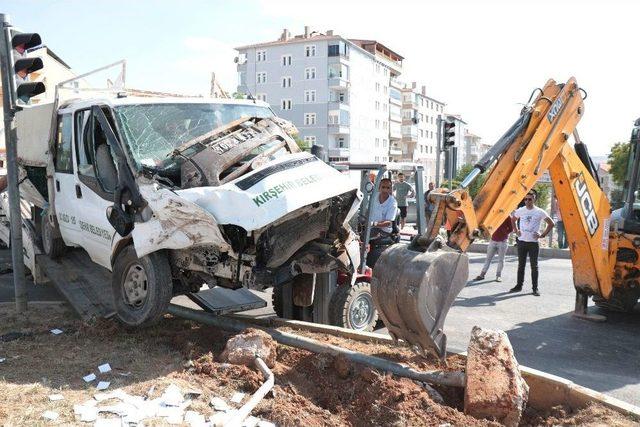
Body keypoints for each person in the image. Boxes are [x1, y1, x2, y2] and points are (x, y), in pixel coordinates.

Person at [511, 192, 554, 296]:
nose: (527, 201)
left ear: (534, 200)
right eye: (525, 199)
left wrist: (542, 235)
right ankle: (518, 286)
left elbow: (551, 223)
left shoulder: (539, 212)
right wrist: (516, 230)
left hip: (533, 243)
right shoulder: (521, 210)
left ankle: (535, 288)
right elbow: (513, 219)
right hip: (521, 241)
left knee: (534, 266)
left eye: (530, 199)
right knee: (521, 265)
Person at [474, 216, 513, 282]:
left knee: (501, 260)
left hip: (502, 241)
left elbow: (511, 229)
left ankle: (498, 276)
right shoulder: (494, 214)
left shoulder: (507, 216)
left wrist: (504, 233)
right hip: (493, 240)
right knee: (488, 259)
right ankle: (482, 274)